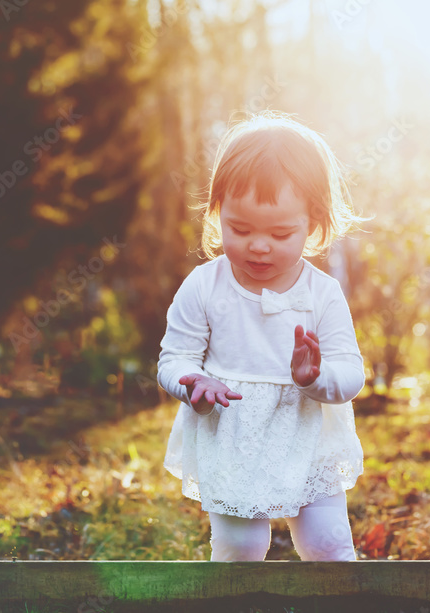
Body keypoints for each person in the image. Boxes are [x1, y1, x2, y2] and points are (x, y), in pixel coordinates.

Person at [156, 110, 368, 561]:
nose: (258, 245)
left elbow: (351, 374)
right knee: (240, 547)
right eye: (240, 228)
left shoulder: (322, 294)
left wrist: (315, 377)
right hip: (233, 435)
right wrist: (192, 384)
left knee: (327, 544)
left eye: (280, 232)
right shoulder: (204, 285)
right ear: (217, 214)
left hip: (307, 434)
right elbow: (174, 358)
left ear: (313, 224)